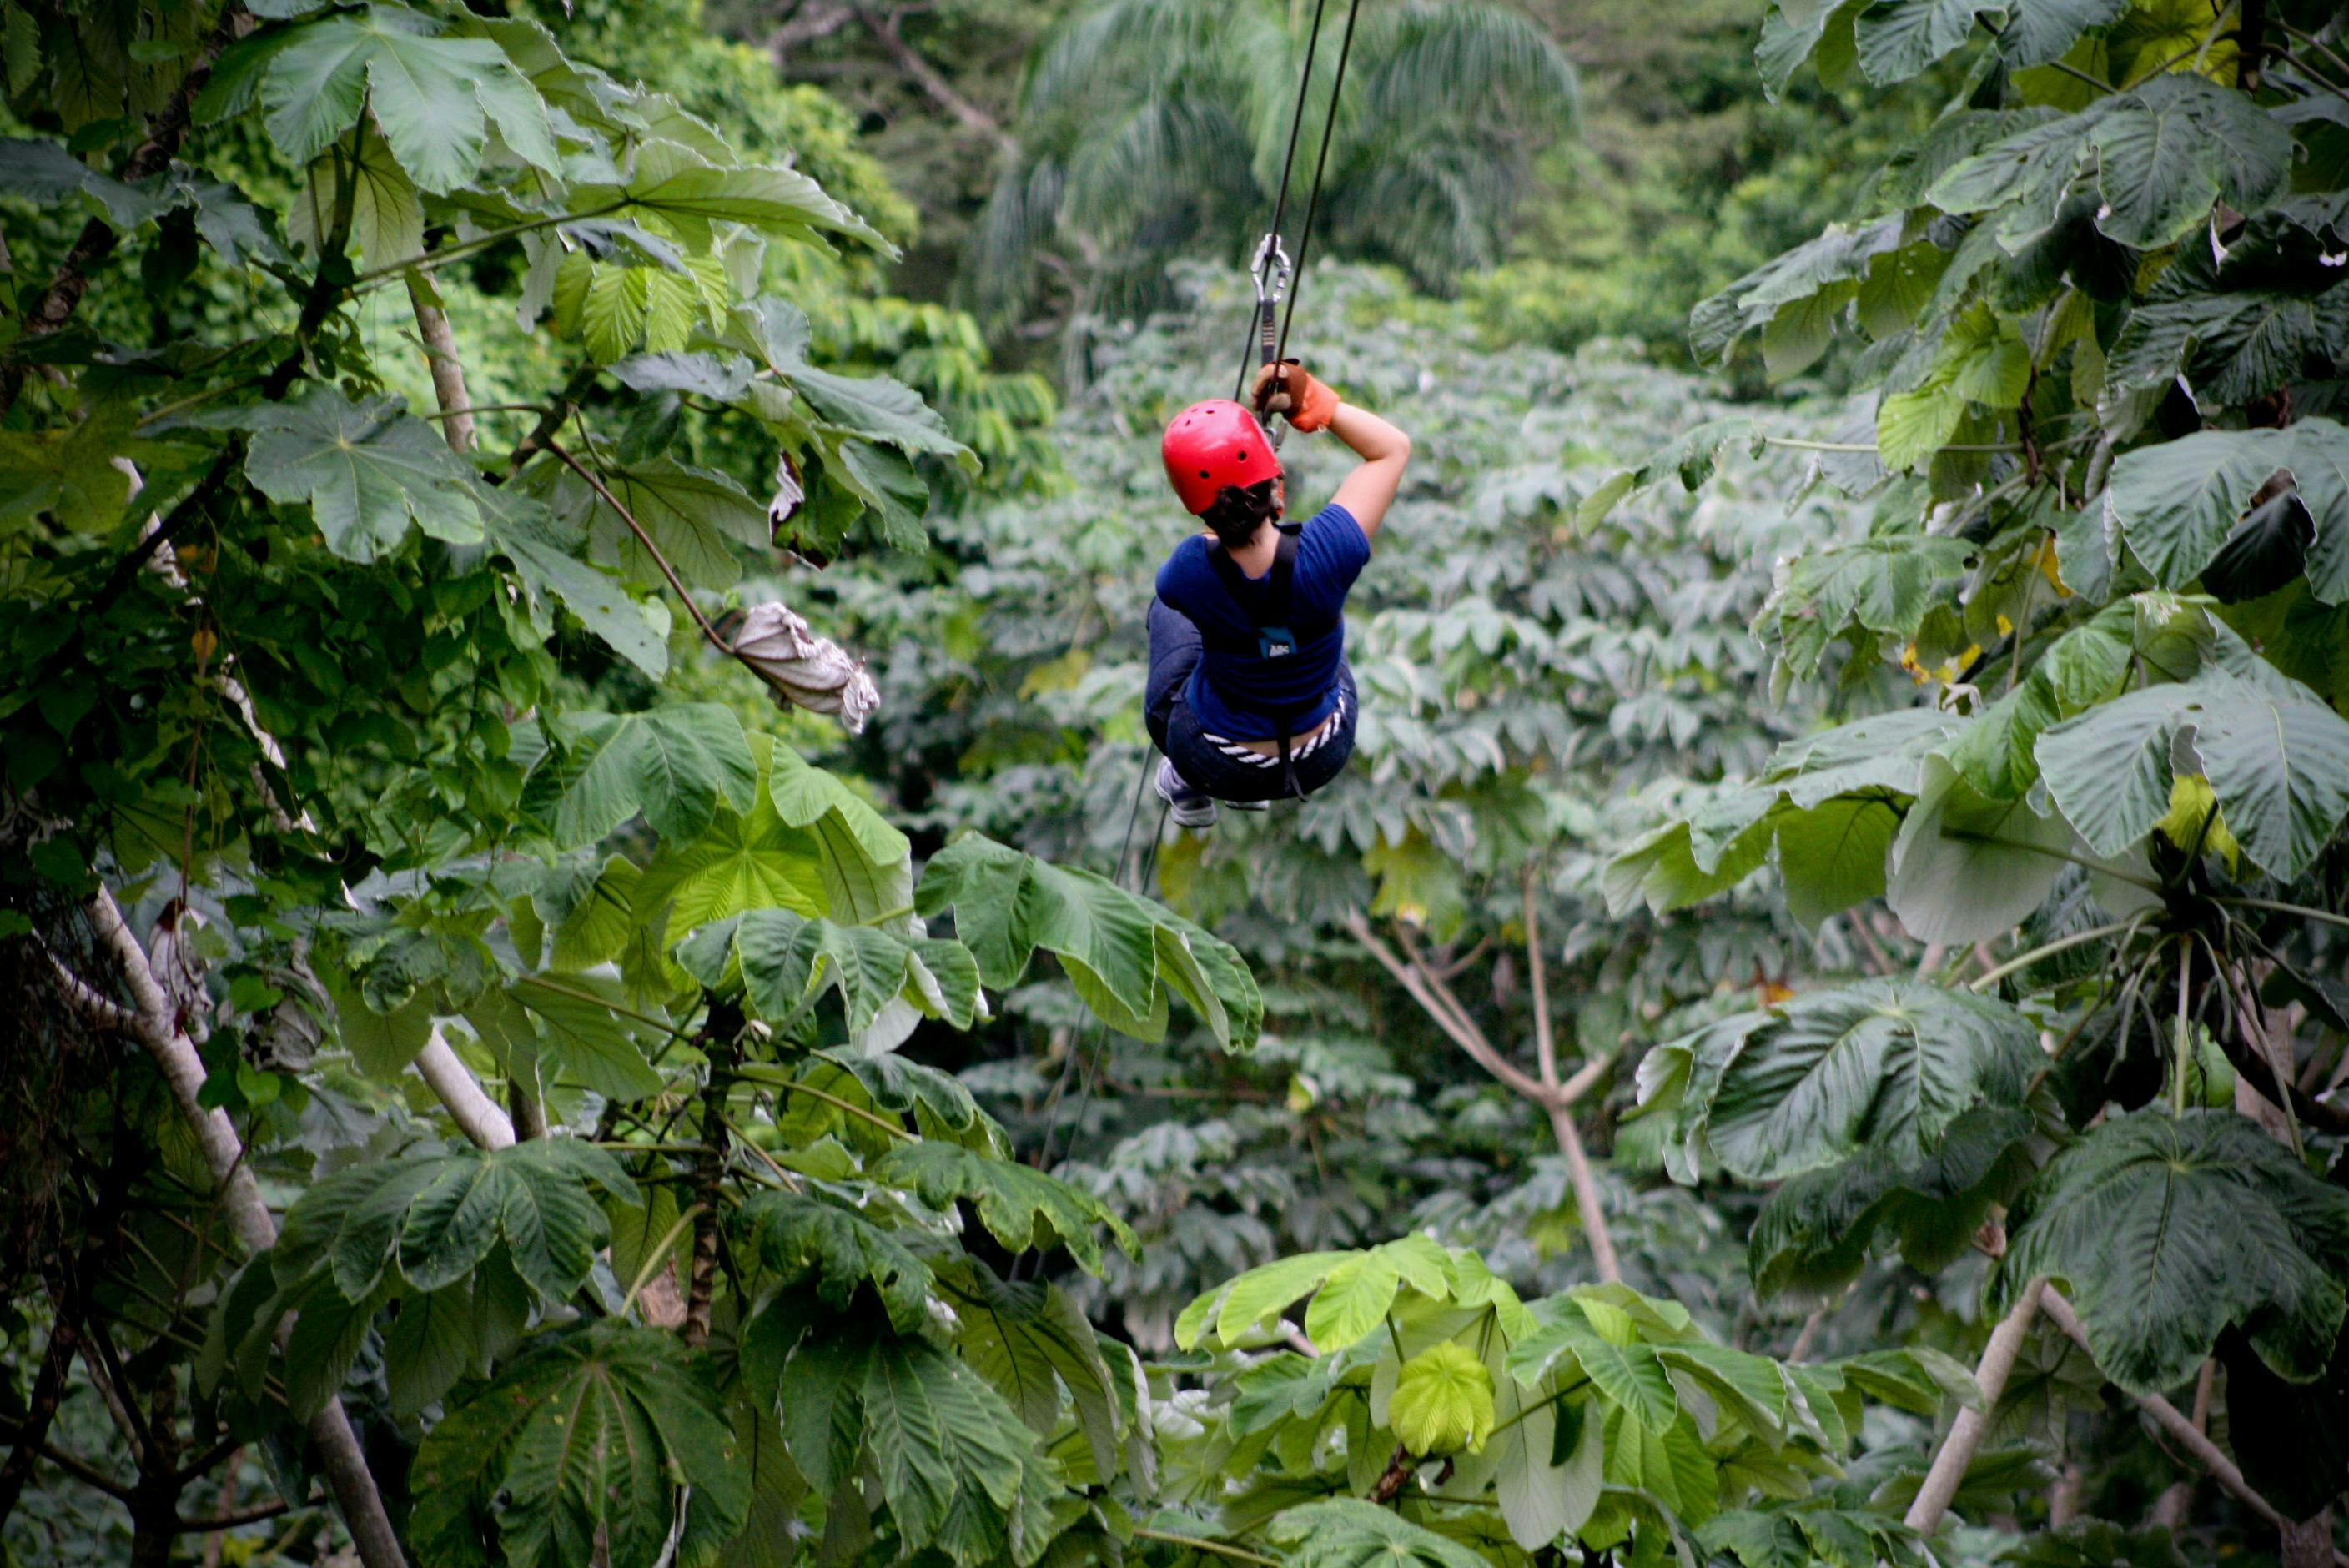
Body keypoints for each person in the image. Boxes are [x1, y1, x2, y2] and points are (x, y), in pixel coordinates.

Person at [1145, 359, 1411, 829]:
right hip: (1319, 754)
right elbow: (1392, 449)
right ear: (1278, 494)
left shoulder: (1186, 572)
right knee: (1307, 633)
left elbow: (1203, 567)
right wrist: (1315, 404)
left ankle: (1189, 782)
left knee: (1173, 615)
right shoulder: (1332, 550)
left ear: (1203, 514)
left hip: (1217, 759)